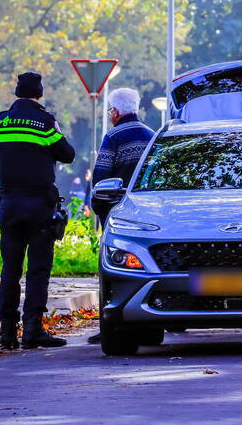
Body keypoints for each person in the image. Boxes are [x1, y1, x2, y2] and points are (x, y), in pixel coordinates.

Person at [0, 72, 76, 350]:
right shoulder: (44, 122)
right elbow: (67, 154)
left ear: (16, 92)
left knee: (10, 268)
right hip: (39, 207)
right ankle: (33, 329)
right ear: (39, 94)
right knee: (37, 269)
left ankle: (7, 332)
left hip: (9, 206)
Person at [87, 87, 154, 344]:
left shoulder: (113, 137)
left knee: (113, 270)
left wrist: (99, 208)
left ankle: (113, 324)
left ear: (114, 112)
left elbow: (101, 176)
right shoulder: (151, 136)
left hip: (117, 212)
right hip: (148, 214)